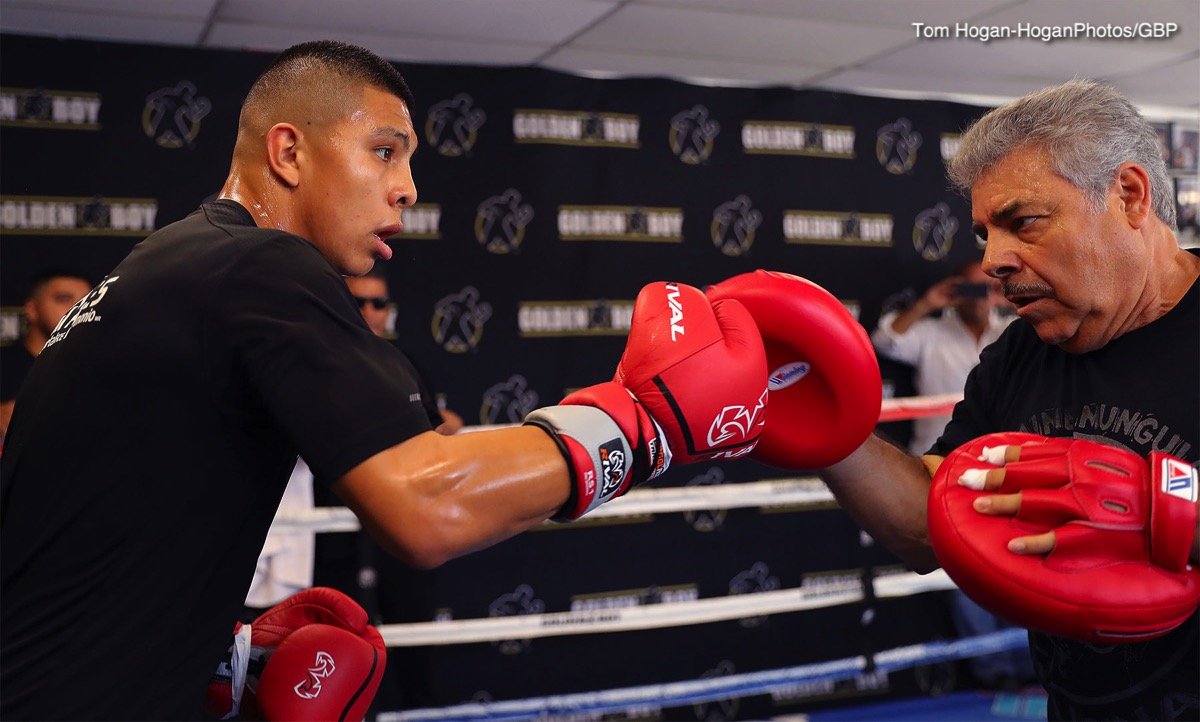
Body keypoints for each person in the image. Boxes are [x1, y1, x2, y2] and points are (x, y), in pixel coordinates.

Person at [0, 40, 771, 719]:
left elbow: (81, 531)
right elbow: (427, 508)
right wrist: (644, 426)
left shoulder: (160, 265)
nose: (406, 187)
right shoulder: (261, 264)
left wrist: (213, 657)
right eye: (383, 150)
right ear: (289, 152)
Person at [820, 79, 1199, 720]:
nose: (993, 260)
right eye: (983, 235)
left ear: (1128, 196)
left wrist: (1177, 515)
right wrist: (825, 431)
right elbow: (929, 524)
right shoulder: (1021, 352)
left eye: (1022, 222)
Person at [871, 262, 1032, 688]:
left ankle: (1030, 671)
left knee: (1017, 569)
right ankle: (995, 675)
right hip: (943, 470)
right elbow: (885, 339)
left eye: (988, 288)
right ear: (955, 291)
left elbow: (1040, 347)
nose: (981, 296)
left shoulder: (1012, 333)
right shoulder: (932, 334)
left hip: (1005, 468)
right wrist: (929, 302)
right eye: (971, 289)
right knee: (962, 575)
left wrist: (1009, 302)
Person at [0, 269, 91, 436]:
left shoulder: (98, 368)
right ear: (32, 309)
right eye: (63, 299)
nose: (79, 309)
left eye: (87, 302)